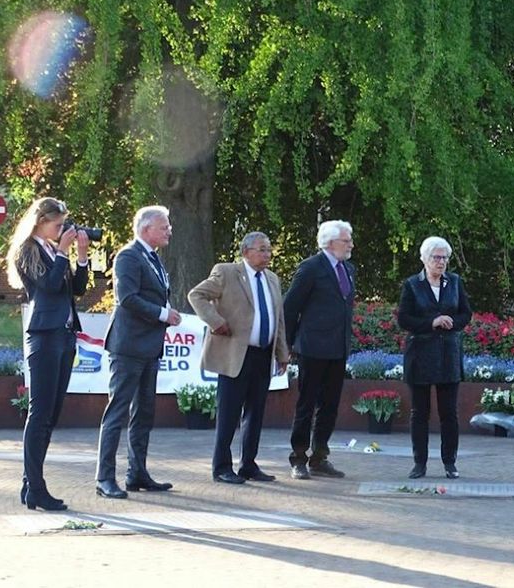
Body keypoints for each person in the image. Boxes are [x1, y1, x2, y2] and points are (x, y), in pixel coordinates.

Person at [7, 197, 90, 511]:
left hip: (65, 336)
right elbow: (50, 286)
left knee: (52, 415)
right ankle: (36, 488)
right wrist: (63, 251)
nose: (62, 229)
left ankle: (31, 485)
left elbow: (76, 290)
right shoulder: (28, 250)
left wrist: (80, 257)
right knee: (39, 414)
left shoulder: (54, 251)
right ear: (40, 221)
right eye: (57, 224)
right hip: (44, 337)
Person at [188, 232, 289, 484]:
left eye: (268, 250)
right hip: (235, 353)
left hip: (263, 354)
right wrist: (215, 321)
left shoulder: (272, 279)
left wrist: (282, 352)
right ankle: (221, 467)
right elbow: (196, 295)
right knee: (229, 413)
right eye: (261, 250)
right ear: (246, 252)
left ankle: (248, 465)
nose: (267, 255)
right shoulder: (227, 272)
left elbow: (279, 319)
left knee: (255, 414)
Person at [94, 205, 181, 499]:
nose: (169, 230)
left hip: (150, 347)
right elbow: (127, 299)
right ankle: (105, 478)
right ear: (146, 229)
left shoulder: (153, 258)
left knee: (144, 413)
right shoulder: (128, 256)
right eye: (164, 226)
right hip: (128, 346)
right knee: (117, 412)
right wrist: (162, 314)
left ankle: (137, 472)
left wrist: (166, 313)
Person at [282, 219, 356, 479]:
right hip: (312, 348)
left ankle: (320, 457)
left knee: (330, 406)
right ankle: (298, 458)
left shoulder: (348, 269)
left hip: (337, 348)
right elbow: (290, 307)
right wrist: (287, 345)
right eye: (346, 240)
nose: (350, 245)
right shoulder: (311, 268)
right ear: (330, 242)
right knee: (306, 404)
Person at [397, 236, 472, 479]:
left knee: (449, 413)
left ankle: (450, 462)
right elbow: (404, 319)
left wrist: (453, 323)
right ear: (424, 259)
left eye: (445, 258)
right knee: (420, 412)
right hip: (420, 354)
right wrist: (432, 322)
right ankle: (420, 463)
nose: (441, 262)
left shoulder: (455, 282)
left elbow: (466, 313)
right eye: (436, 257)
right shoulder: (411, 285)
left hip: (448, 354)